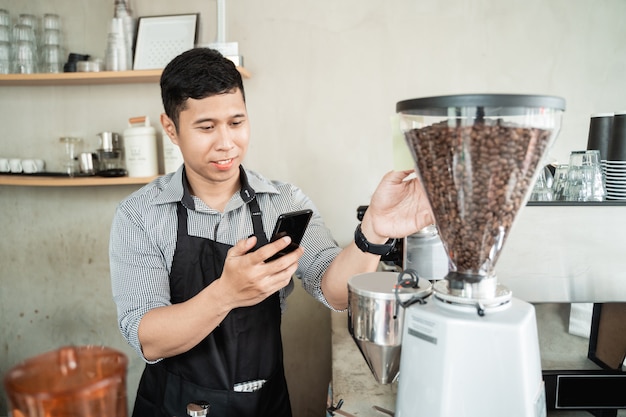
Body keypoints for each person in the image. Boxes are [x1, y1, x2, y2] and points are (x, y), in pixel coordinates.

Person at [109, 47, 434, 417]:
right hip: (176, 406)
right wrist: (226, 294)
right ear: (171, 128)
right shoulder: (139, 215)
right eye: (206, 127)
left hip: (262, 405)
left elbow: (335, 292)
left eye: (236, 122)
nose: (226, 143)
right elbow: (148, 339)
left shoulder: (282, 201)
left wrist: (374, 231)